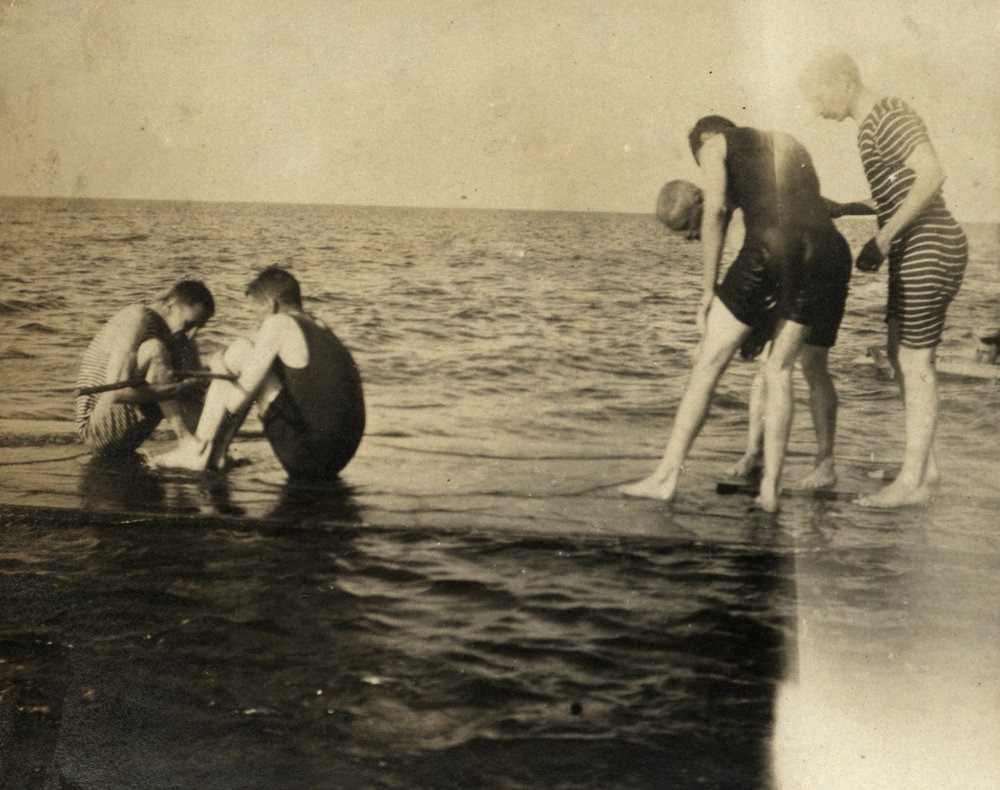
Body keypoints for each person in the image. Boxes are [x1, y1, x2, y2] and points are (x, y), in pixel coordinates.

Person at [620, 116, 852, 512]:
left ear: (707, 140)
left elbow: (714, 213)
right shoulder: (785, 140)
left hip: (771, 247)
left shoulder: (715, 146)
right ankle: (771, 492)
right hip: (827, 250)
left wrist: (707, 291)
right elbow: (809, 206)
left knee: (708, 364)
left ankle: (666, 477)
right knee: (780, 370)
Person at [800, 51, 968, 508]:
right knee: (901, 353)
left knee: (915, 362)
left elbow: (932, 174)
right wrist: (855, 213)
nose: (816, 111)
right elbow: (898, 193)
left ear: (842, 80)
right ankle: (925, 471)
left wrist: (885, 238)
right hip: (914, 244)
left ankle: (911, 484)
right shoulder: (868, 128)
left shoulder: (889, 113)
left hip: (929, 242)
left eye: (817, 98)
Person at [152, 267, 365, 481]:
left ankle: (198, 452)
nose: (259, 323)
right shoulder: (318, 326)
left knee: (240, 350)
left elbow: (235, 401)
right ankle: (217, 456)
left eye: (258, 315)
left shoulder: (277, 323)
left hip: (306, 457)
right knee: (245, 355)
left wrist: (218, 366)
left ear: (271, 306)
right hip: (338, 456)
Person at [74, 280, 215, 456]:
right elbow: (116, 393)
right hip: (96, 431)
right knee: (154, 349)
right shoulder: (137, 318)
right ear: (170, 305)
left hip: (127, 433)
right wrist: (176, 389)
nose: (193, 333)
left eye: (199, 327)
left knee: (201, 373)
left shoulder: (180, 336)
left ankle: (206, 446)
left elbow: (194, 392)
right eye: (189, 324)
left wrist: (206, 378)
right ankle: (185, 439)